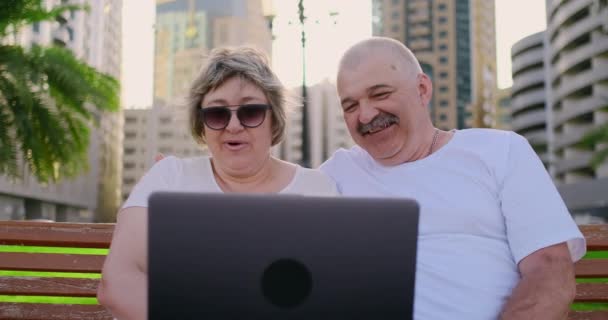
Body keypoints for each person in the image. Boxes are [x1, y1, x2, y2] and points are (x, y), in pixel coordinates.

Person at [319, 37, 586, 320]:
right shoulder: (334, 176)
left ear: (422, 90)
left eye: (380, 94)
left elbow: (549, 272)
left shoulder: (501, 151)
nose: (365, 115)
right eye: (350, 106)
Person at [97, 46, 338, 320]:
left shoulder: (317, 190)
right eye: (217, 114)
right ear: (202, 125)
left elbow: (329, 294)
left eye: (251, 112)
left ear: (274, 120)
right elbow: (116, 282)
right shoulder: (168, 178)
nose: (233, 126)